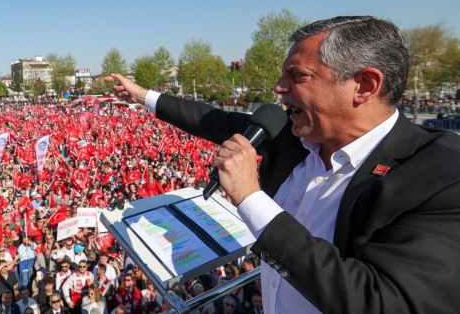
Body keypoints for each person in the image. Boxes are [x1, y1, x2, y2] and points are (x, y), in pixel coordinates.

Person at [108, 16, 460, 313]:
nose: (278, 88)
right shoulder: (293, 138)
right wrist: (141, 96)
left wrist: (250, 198)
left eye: (298, 76)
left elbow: (380, 301)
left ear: (364, 86)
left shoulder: (441, 174)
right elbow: (212, 119)